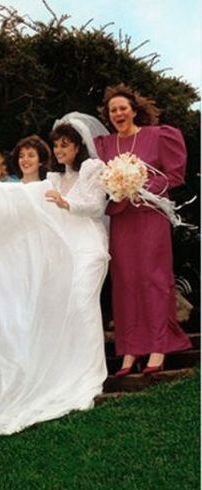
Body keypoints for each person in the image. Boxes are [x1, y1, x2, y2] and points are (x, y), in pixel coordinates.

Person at [94, 84, 191, 375]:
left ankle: (159, 346)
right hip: (123, 220)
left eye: (123, 108)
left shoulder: (158, 136)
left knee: (153, 278)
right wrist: (117, 187)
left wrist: (141, 186)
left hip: (150, 217)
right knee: (125, 281)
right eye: (113, 110)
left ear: (134, 111)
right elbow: (99, 182)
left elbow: (174, 175)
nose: (118, 113)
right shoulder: (105, 145)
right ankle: (130, 349)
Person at [41, 113, 111, 390]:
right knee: (65, 305)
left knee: (83, 302)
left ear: (78, 146)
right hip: (64, 248)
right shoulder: (54, 178)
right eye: (56, 145)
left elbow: (97, 207)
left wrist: (67, 204)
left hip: (90, 245)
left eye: (65, 145)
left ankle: (91, 373)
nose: (59, 150)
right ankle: (70, 370)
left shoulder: (92, 168)